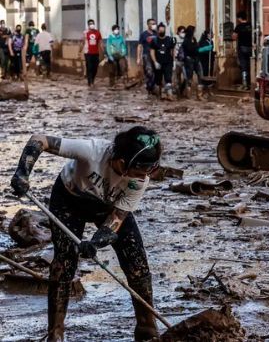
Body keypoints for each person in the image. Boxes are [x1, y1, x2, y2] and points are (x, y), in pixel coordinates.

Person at [9, 127, 163, 341]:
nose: (143, 177)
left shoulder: (140, 180)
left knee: (137, 263)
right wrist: (22, 173)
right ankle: (56, 333)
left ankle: (147, 328)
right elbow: (40, 140)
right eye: (139, 170)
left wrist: (96, 243)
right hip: (70, 199)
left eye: (148, 171)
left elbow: (117, 219)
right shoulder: (91, 151)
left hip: (108, 207)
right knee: (64, 263)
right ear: (121, 160)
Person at [152, 23, 175, 100]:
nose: (162, 30)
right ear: (158, 31)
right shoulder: (154, 40)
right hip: (158, 62)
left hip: (168, 62)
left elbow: (173, 50)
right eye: (160, 29)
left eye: (163, 29)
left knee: (168, 78)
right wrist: (155, 61)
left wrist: (174, 61)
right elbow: (152, 52)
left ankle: (169, 95)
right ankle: (160, 94)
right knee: (158, 80)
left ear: (165, 30)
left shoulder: (169, 40)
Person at [232, 12, 252, 91]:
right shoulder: (250, 25)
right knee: (250, 65)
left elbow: (234, 37)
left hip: (242, 48)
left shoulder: (239, 26)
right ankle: (251, 82)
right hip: (251, 48)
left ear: (239, 18)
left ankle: (245, 84)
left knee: (243, 65)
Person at [137, 19, 157, 96]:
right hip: (146, 55)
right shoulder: (144, 34)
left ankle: (151, 87)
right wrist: (138, 58)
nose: (154, 25)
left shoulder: (156, 34)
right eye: (152, 24)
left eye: (155, 23)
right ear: (148, 25)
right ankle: (150, 87)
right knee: (149, 72)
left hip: (155, 56)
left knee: (156, 72)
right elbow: (139, 46)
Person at [82, 20, 102, 87]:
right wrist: (80, 50)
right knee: (89, 67)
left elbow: (100, 43)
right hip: (88, 52)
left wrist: (103, 51)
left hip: (96, 52)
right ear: (88, 25)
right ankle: (89, 81)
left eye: (93, 23)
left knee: (95, 67)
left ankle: (92, 79)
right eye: (90, 24)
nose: (92, 25)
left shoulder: (97, 32)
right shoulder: (85, 32)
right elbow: (82, 41)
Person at [197, 29, 215, 100]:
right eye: (211, 33)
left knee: (209, 74)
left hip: (210, 60)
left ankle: (209, 91)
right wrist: (206, 49)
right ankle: (203, 91)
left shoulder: (211, 41)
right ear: (207, 34)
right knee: (204, 74)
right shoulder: (203, 41)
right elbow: (200, 50)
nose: (212, 35)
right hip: (204, 60)